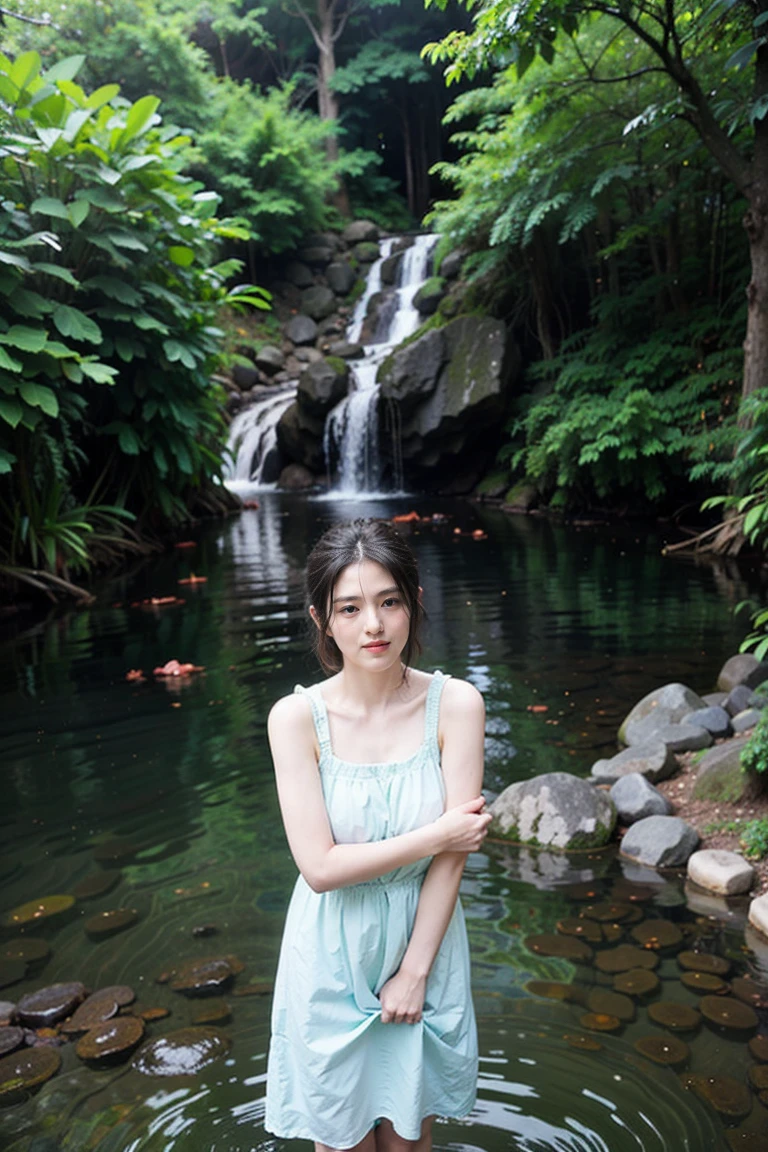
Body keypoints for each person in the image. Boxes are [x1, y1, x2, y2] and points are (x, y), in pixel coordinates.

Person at [264, 517, 490, 1152]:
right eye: (351, 607)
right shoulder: (297, 719)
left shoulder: (458, 706)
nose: (374, 625)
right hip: (331, 950)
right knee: (341, 1141)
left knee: (410, 1137)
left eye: (389, 601)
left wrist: (415, 970)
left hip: (428, 938)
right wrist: (440, 832)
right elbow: (321, 867)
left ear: (414, 605)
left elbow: (454, 862)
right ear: (322, 619)